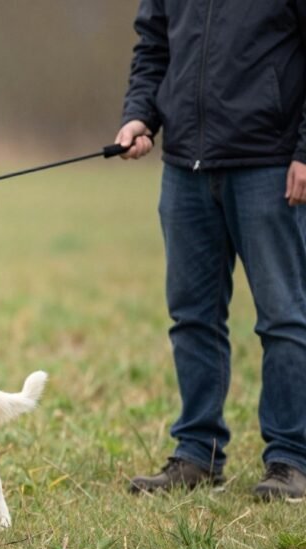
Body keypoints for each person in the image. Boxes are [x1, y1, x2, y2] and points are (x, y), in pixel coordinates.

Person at [116, 0, 306, 499]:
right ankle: (197, 453)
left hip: (269, 164)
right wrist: (140, 115)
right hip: (185, 168)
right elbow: (154, 46)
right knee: (192, 318)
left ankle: (291, 459)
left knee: (284, 318)